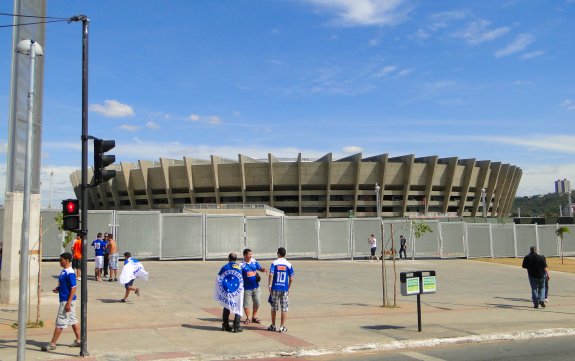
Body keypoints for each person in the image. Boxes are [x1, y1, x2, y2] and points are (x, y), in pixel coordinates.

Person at [41, 252, 81, 351]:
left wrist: (68, 302)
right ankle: (79, 340)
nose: (60, 262)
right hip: (66, 299)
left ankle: (52, 344)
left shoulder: (70, 272)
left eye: (61, 260)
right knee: (72, 319)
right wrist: (59, 288)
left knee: (60, 322)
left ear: (67, 260)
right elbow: (66, 285)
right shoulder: (64, 271)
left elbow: (73, 288)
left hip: (66, 301)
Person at [215, 253, 244, 333]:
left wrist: (221, 288)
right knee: (238, 307)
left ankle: (225, 325)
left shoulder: (225, 267)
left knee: (226, 305)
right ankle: (236, 326)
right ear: (236, 259)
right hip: (237, 291)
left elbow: (218, 278)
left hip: (227, 290)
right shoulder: (239, 267)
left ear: (228, 258)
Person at [267, 247, 294, 333]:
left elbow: (271, 274)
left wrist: (269, 285)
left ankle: (273, 325)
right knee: (284, 308)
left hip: (275, 287)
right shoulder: (288, 264)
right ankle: (282, 327)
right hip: (284, 288)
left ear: (278, 253)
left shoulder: (274, 263)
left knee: (274, 307)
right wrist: (288, 287)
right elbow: (291, 278)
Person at [240, 248, 267, 324]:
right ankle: (248, 318)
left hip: (256, 287)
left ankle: (254, 317)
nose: (250, 255)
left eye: (251, 254)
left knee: (257, 302)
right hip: (246, 288)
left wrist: (263, 269)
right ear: (244, 255)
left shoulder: (254, 262)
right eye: (249, 254)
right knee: (246, 303)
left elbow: (259, 268)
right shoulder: (241, 265)